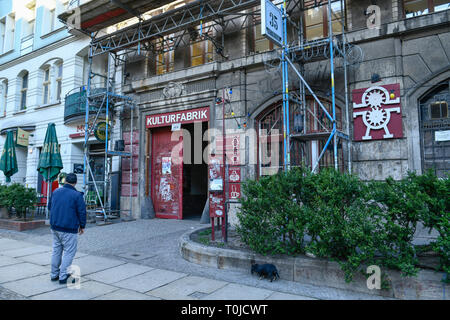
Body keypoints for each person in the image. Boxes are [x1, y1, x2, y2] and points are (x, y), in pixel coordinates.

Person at [48, 173, 86, 284]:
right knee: (69, 252)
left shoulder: (55, 192)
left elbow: (50, 207)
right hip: (68, 228)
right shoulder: (77, 195)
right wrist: (82, 226)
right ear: (75, 182)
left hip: (54, 226)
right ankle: (63, 276)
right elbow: (82, 212)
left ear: (65, 181)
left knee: (56, 250)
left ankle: (54, 274)